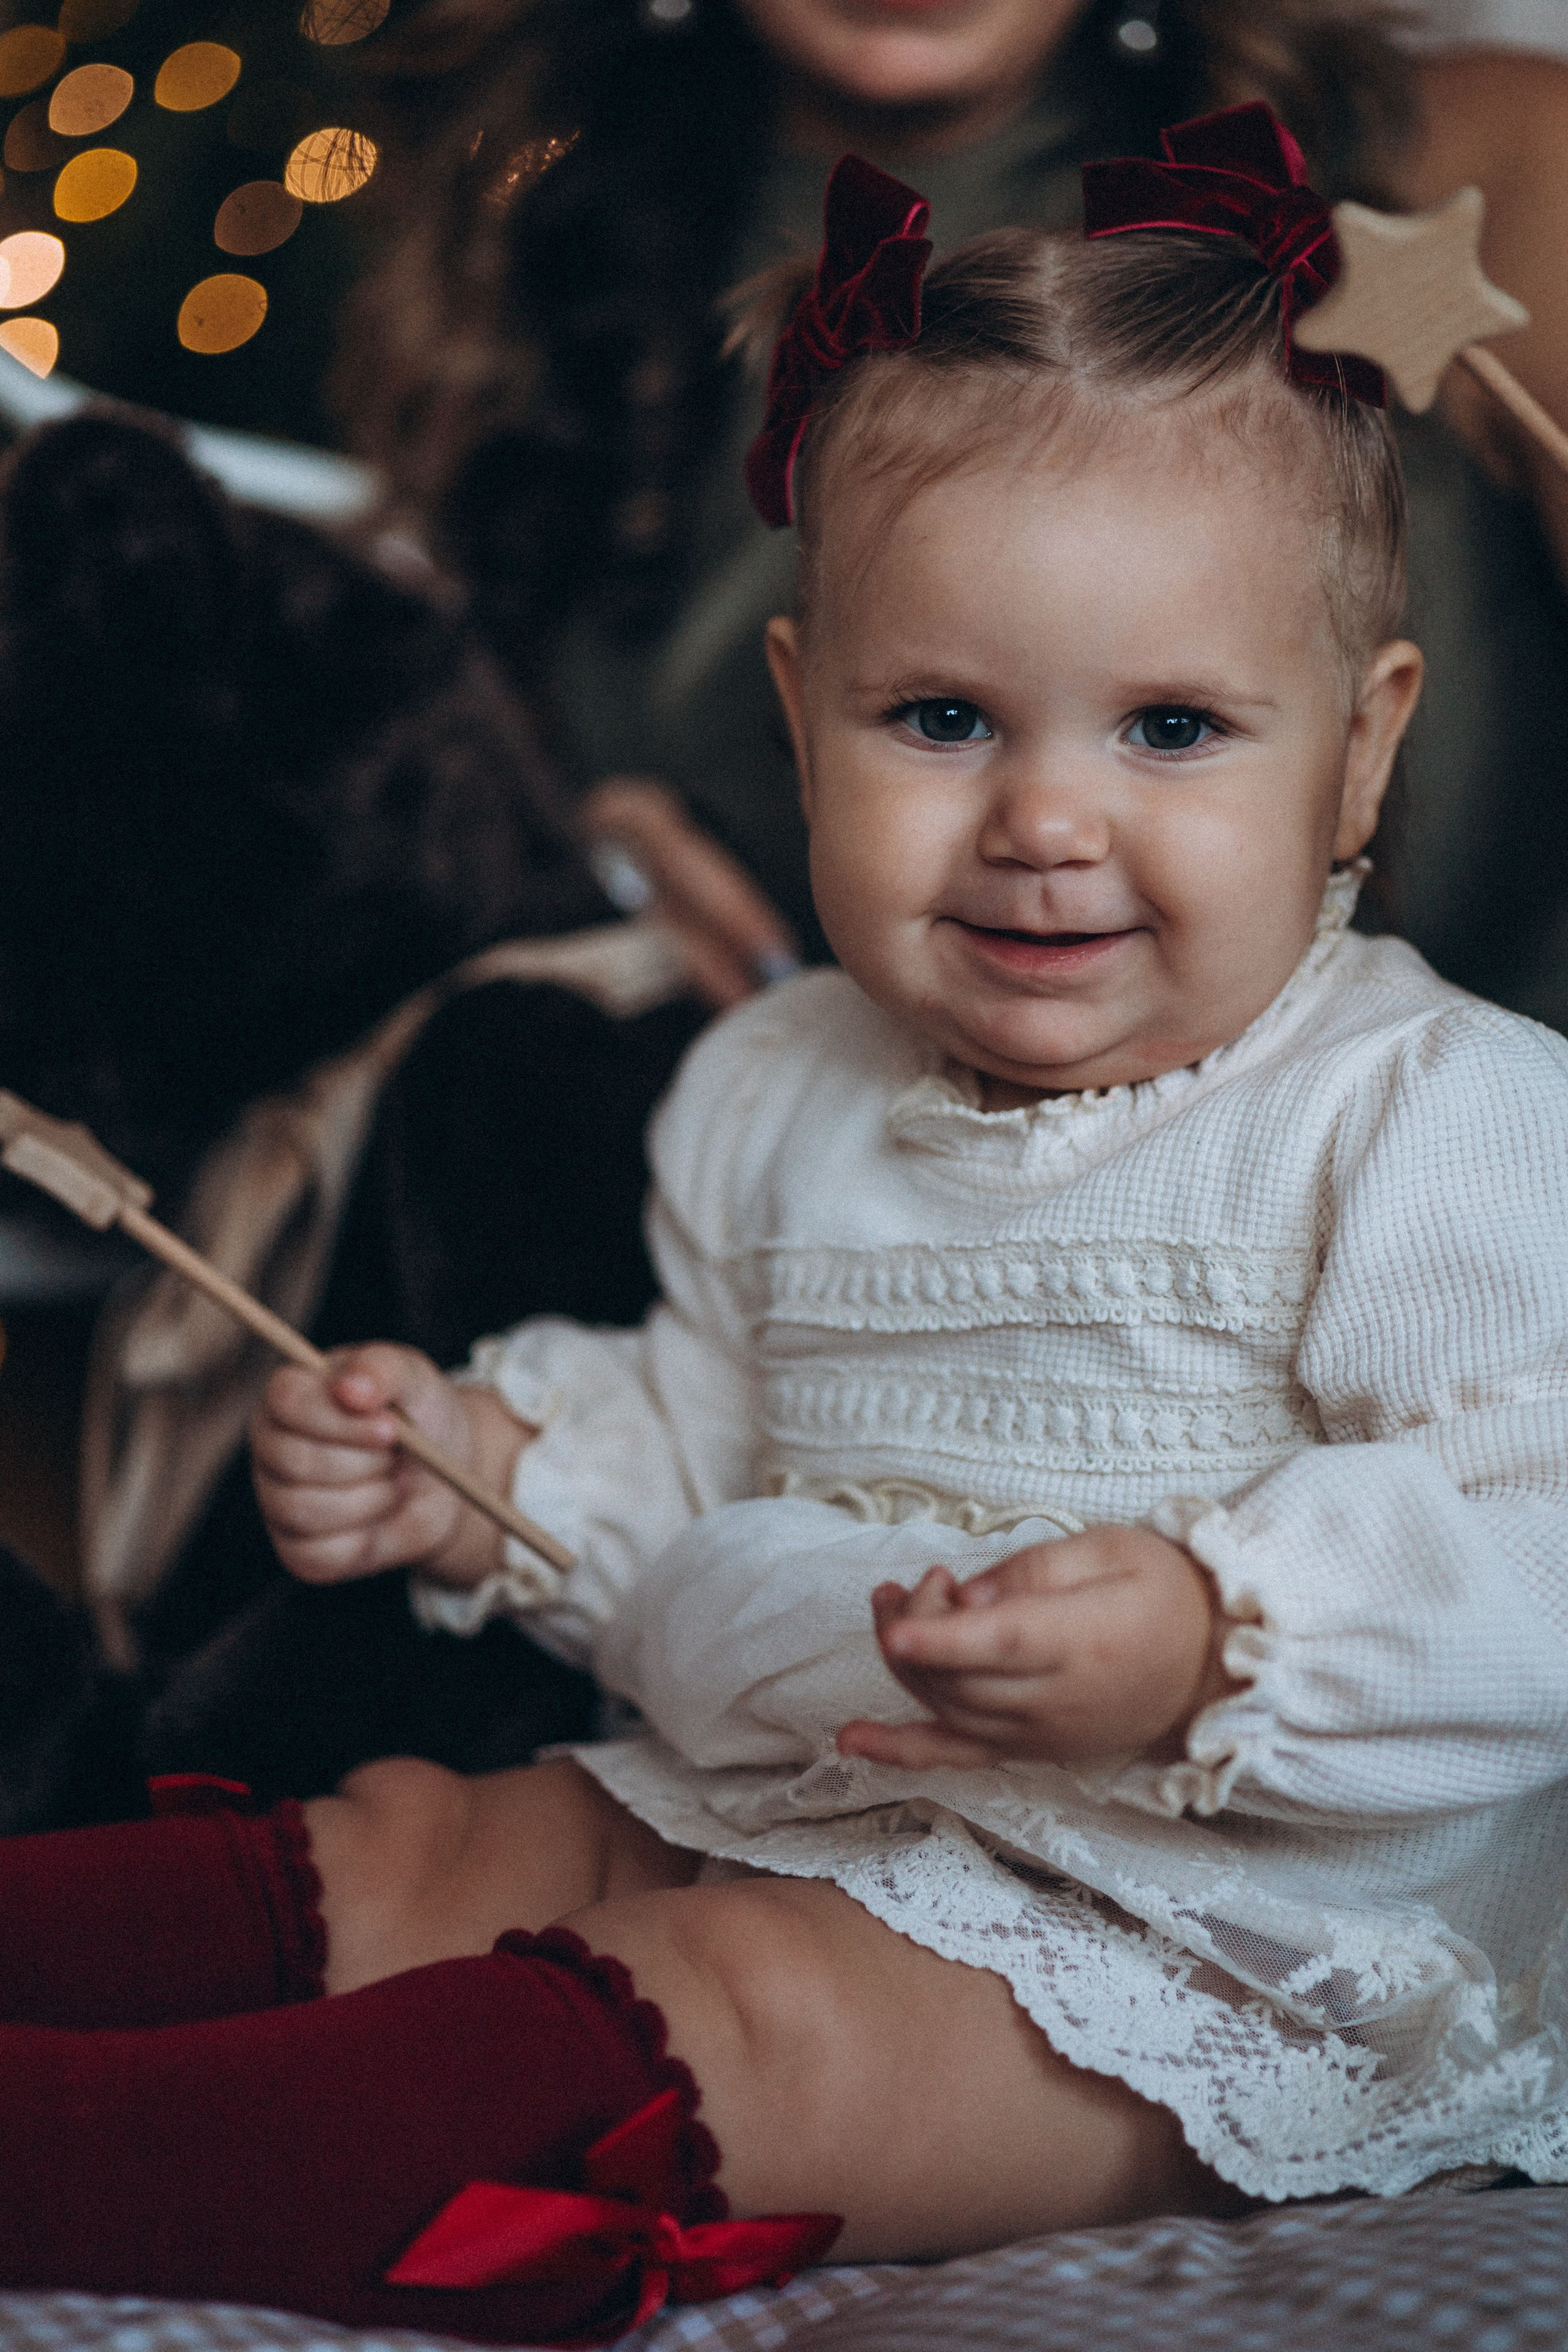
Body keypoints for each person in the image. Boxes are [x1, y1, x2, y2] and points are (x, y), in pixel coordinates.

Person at [2, 116, 1567, 2338]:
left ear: (1361, 752)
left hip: (1225, 1930)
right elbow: (708, 1435)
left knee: (737, 1998)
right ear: (799, 719)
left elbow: (1541, 1521)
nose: (1042, 818)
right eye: (940, 719)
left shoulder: (1429, 1116)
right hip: (792, 1779)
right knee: (454, 1831)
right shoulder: (772, 1087)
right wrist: (483, 1477)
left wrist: (1219, 1634)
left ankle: (102, 2166)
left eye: (1174, 729)